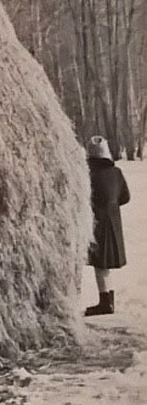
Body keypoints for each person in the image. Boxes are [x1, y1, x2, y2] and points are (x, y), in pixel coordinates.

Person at [84, 135, 131, 317]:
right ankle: (109, 301)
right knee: (106, 265)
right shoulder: (116, 172)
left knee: (101, 265)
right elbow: (125, 197)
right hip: (114, 222)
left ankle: (105, 303)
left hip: (98, 222)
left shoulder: (89, 175)